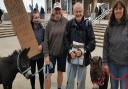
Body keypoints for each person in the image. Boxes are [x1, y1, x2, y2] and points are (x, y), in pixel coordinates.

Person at [64, 2, 96, 89]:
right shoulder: (69, 24)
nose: (78, 13)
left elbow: (93, 42)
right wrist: (70, 50)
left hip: (83, 59)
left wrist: (83, 51)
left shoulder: (88, 24)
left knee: (81, 82)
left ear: (83, 12)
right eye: (76, 11)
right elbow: (65, 39)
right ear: (73, 12)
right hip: (72, 57)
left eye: (80, 11)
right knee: (70, 80)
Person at [103, 1, 128, 89]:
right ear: (113, 11)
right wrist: (105, 63)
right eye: (116, 9)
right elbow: (105, 46)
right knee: (113, 87)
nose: (118, 11)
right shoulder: (109, 27)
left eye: (120, 9)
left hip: (125, 66)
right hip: (112, 65)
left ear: (124, 10)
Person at [43, 2, 68, 89]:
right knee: (47, 74)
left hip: (62, 53)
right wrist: (46, 55)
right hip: (51, 54)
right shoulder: (49, 23)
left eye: (59, 9)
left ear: (61, 10)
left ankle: (59, 88)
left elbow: (69, 36)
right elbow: (45, 40)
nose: (57, 11)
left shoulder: (66, 22)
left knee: (60, 73)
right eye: (56, 9)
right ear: (53, 10)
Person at [30, 8, 45, 89]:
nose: (37, 19)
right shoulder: (29, 30)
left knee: (40, 72)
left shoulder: (43, 29)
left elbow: (45, 40)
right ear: (32, 19)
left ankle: (42, 87)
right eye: (35, 17)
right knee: (32, 73)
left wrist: (42, 45)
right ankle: (33, 87)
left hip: (40, 55)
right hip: (32, 56)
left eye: (38, 17)